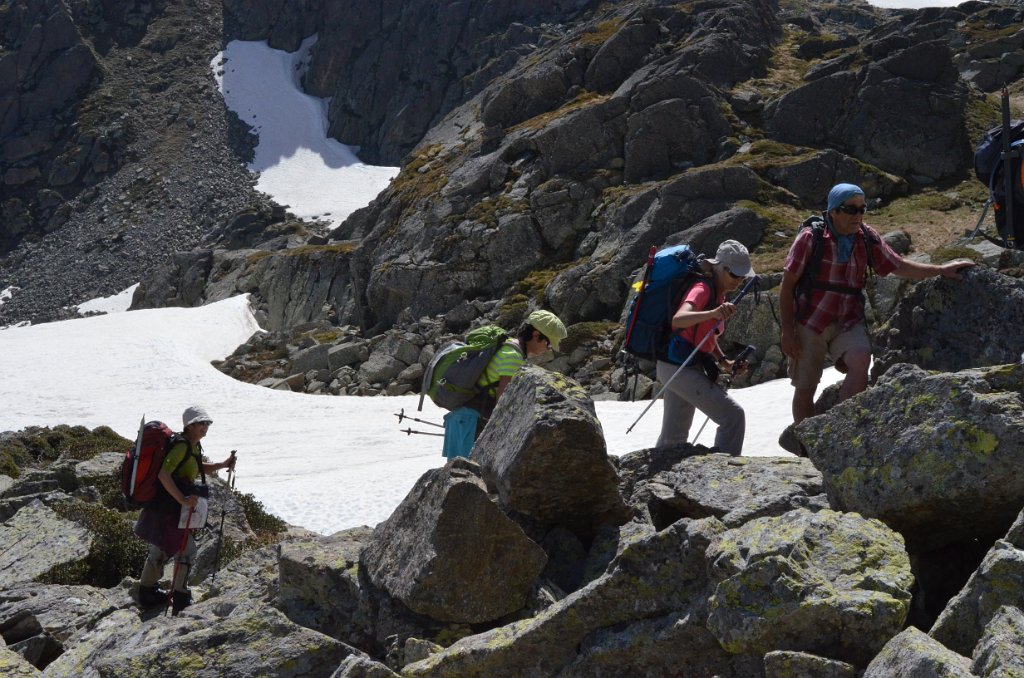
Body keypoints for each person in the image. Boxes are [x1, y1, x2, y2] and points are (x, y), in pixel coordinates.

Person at [779, 183, 974, 424]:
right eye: (851, 209)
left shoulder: (866, 237)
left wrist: (941, 270)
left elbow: (898, 265)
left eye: (862, 209)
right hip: (810, 320)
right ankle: (806, 442)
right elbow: (787, 286)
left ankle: (844, 429)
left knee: (861, 358)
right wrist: (787, 331)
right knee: (806, 386)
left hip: (847, 320)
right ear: (833, 211)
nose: (858, 215)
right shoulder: (811, 238)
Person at [134, 406, 235, 613]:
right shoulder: (181, 446)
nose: (205, 427)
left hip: (168, 507)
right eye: (201, 423)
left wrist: (222, 464)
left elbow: (196, 467)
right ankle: (180, 596)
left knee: (161, 546)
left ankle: (147, 592)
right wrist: (182, 498)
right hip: (168, 507)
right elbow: (163, 474)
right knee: (186, 549)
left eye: (207, 423)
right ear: (189, 426)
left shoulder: (192, 446)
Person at [656, 240, 753, 455]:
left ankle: (655, 473)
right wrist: (713, 313)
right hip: (679, 368)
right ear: (720, 268)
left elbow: (705, 335)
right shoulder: (702, 289)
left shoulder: (718, 294)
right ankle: (727, 470)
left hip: (676, 365)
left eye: (743, 276)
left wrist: (724, 361)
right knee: (733, 417)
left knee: (673, 437)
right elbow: (679, 319)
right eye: (735, 274)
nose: (739, 280)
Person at [442, 310, 567, 459]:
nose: (548, 349)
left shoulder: (508, 345)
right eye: (548, 343)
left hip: (462, 419)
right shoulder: (513, 357)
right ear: (536, 335)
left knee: (456, 470)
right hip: (470, 423)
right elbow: (502, 402)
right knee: (463, 470)